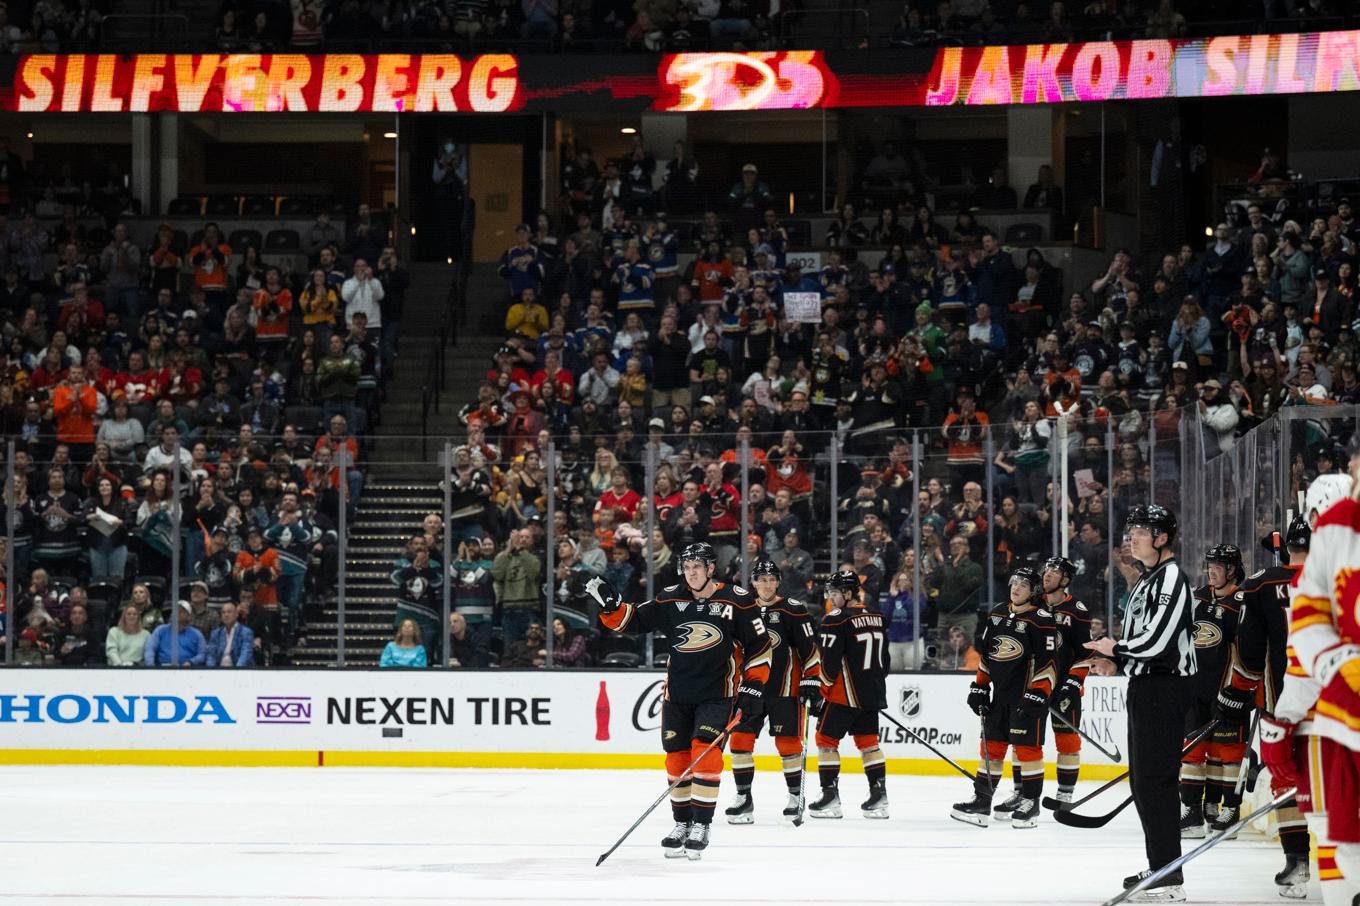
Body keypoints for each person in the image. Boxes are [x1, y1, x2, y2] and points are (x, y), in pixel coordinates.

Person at [590, 541, 773, 860]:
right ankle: (682, 823)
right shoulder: (670, 597)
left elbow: (760, 647)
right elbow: (632, 621)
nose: (691, 573)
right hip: (678, 695)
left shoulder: (737, 599)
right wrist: (611, 607)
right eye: (687, 568)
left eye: (697, 567)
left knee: (704, 754)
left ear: (711, 568)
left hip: (718, 693)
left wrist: (754, 686)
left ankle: (702, 824)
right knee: (677, 759)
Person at [1084, 504, 1197, 902]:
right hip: (1146, 687)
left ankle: (1169, 877)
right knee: (1144, 782)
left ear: (1163, 538)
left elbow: (1158, 641)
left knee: (1156, 781)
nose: (1132, 537)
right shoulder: (1148, 581)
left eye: (1141, 531)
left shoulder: (1170, 579)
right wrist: (1115, 662)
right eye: (1131, 529)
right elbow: (1144, 645)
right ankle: (1161, 867)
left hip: (1164, 690)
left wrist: (1117, 648)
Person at [1265, 471, 1360, 906]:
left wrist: (1280, 726)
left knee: (1336, 834)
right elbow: (1305, 659)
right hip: (1340, 723)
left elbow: (1303, 667)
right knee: (1337, 835)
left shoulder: (1316, 573)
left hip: (1338, 727)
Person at [1214, 521, 1311, 895]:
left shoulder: (1258, 584)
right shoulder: (1344, 578)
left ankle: (1298, 865)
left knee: (1287, 779)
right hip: (1338, 704)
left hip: (1283, 704)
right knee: (1342, 778)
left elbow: (1251, 656)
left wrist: (1236, 694)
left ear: (1286, 545)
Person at [951, 566, 1056, 830]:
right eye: (1014, 582)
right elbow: (987, 656)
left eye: (1023, 584)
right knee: (992, 748)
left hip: (1027, 696)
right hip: (1000, 696)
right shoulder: (997, 613)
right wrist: (980, 687)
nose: (1016, 587)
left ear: (1033, 591)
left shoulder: (1041, 619)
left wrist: (1037, 694)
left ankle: (1030, 803)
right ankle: (982, 800)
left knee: (1027, 749)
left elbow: (1049, 664)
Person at [724, 559, 821, 825]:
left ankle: (794, 796)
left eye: (771, 579)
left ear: (778, 581)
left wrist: (812, 680)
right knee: (740, 741)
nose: (766, 584)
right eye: (761, 579)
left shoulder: (792, 609)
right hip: (750, 689)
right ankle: (744, 798)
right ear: (753, 583)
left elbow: (810, 648)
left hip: (784, 688)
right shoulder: (743, 609)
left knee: (787, 744)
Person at [808, 569, 890, 820]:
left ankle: (830, 796)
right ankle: (879, 796)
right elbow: (885, 662)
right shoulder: (876, 616)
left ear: (847, 592)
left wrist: (819, 692)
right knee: (868, 742)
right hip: (871, 693)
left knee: (825, 740)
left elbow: (830, 666)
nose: (831, 597)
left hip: (844, 695)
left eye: (834, 592)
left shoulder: (835, 619)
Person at [1176, 544, 1245, 839]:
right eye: (1210, 565)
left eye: (1218, 565)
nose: (1211, 570)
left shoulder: (1242, 602)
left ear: (1232, 569)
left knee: (1226, 753)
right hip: (1195, 688)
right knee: (1192, 751)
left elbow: (1247, 650)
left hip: (1228, 690)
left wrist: (1240, 688)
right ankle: (1192, 811)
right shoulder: (1197, 599)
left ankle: (1225, 808)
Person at [143, 601, 208, 667]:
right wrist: (150, 666)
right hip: (162, 670)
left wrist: (191, 661)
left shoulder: (197, 634)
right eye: (175, 610)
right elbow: (150, 648)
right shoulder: (160, 630)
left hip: (187, 671)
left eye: (181, 611)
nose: (177, 613)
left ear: (189, 615)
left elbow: (203, 654)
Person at [205, 600, 255, 667]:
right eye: (223, 612)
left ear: (237, 614)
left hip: (238, 671)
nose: (226, 615)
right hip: (219, 670)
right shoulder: (216, 634)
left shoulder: (246, 632)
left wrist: (236, 672)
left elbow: (245, 655)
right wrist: (212, 671)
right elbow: (211, 655)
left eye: (229, 612)